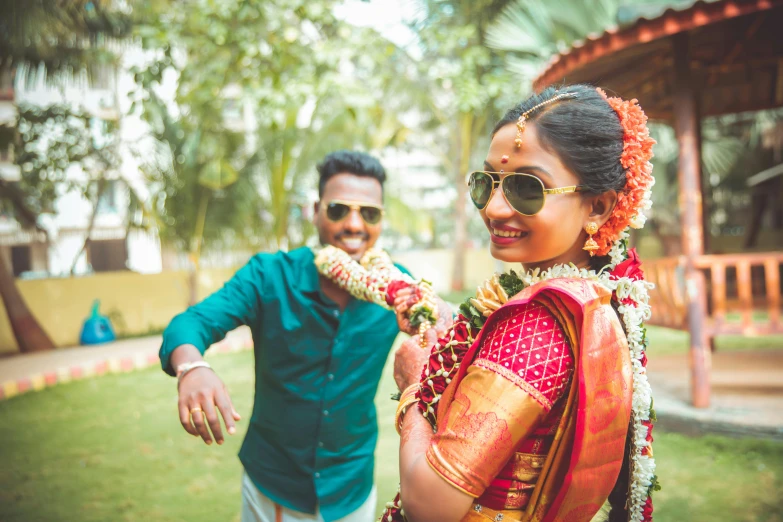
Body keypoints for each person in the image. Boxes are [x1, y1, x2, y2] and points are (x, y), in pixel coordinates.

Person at [390, 84, 657, 522]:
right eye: (486, 183)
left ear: (599, 207)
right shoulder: (592, 299)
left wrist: (414, 390)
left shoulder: (534, 328)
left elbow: (427, 505)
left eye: (526, 188)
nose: (493, 209)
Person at [160, 150, 409, 522]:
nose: (355, 225)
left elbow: (450, 329)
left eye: (369, 213)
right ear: (315, 210)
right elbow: (190, 323)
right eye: (339, 209)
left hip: (352, 486)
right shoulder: (269, 275)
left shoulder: (398, 287)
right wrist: (192, 366)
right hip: (274, 488)